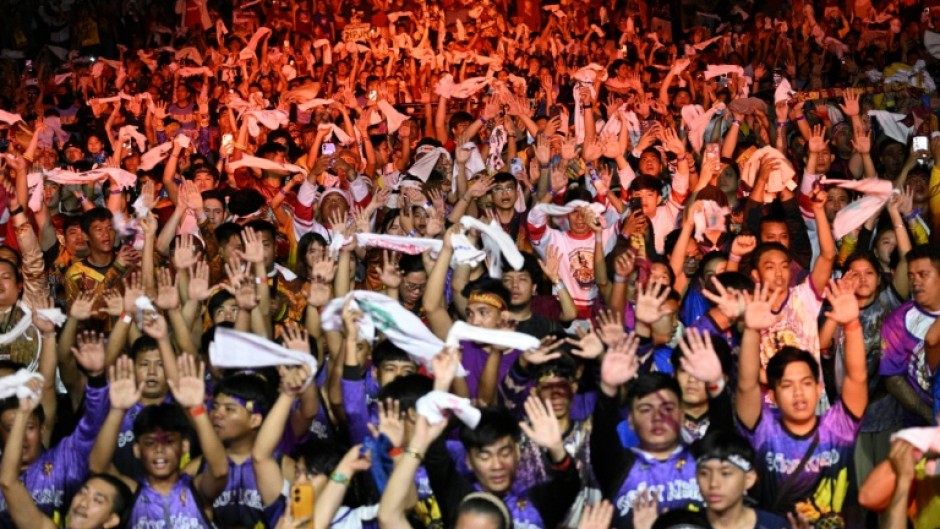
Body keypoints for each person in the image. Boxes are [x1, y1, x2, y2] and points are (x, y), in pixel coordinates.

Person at [735, 278, 867, 524]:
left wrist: (852, 325)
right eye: (787, 385)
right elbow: (746, 385)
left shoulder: (839, 429)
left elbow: (857, 377)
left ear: (819, 389)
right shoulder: (763, 432)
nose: (798, 392)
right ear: (772, 395)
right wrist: (751, 330)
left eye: (806, 383)